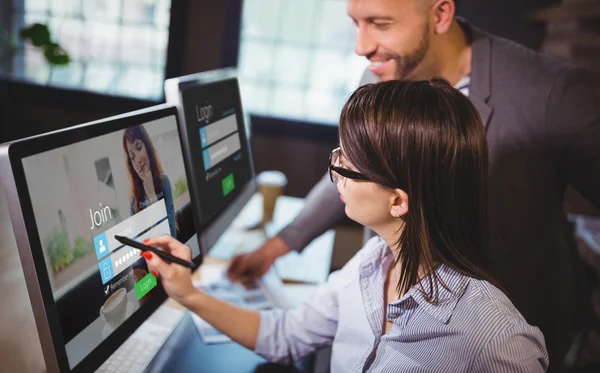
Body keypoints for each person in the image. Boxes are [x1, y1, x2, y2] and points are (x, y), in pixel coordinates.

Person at [226, 1, 600, 370]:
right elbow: (355, 169)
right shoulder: (382, 72)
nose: (361, 46)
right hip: (397, 313)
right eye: (356, 22)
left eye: (379, 23)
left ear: (440, 14)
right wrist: (277, 247)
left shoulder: (553, 93)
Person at [143, 80, 549, 372]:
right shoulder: (370, 265)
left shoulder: (497, 340)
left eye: (349, 165)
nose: (335, 169)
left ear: (398, 201)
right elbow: (284, 337)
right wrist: (189, 293)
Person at [122, 124, 177, 238]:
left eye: (139, 147)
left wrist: (152, 195)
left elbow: (171, 236)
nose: (138, 161)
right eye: (132, 157)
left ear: (147, 147)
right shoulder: (134, 202)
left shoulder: (164, 183)